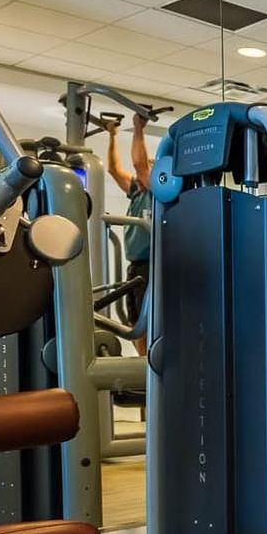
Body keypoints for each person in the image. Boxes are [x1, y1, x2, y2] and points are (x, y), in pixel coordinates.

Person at [103, 110, 153, 356]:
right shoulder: (136, 191)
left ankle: (147, 375)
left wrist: (138, 128)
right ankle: (141, 370)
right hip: (135, 267)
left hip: (152, 267)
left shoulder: (157, 194)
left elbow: (139, 165)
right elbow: (114, 169)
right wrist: (112, 135)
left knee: (147, 325)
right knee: (133, 324)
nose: (141, 176)